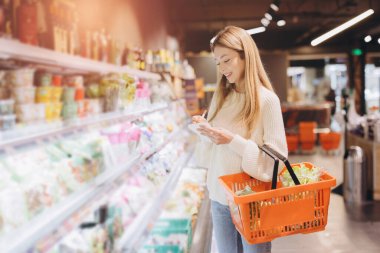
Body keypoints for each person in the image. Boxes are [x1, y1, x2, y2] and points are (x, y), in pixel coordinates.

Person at [192, 26, 287, 253]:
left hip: (252, 202)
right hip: (218, 198)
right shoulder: (220, 98)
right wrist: (204, 133)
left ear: (245, 55)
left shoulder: (267, 101)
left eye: (227, 60)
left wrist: (232, 140)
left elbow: (277, 161)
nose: (222, 68)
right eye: (218, 62)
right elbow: (205, 158)